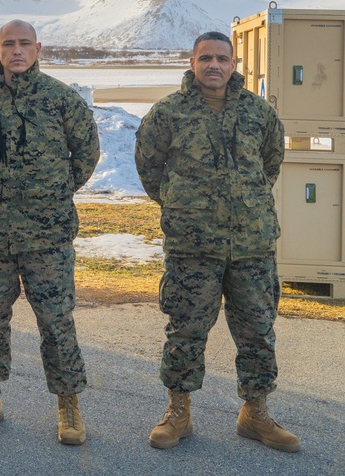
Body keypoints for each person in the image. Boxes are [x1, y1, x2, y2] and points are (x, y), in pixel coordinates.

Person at [135, 31, 299, 452]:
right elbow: (149, 167)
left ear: (233, 64)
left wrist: (242, 204)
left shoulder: (258, 113)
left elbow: (270, 164)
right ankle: (178, 412)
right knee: (186, 331)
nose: (214, 65)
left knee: (258, 332)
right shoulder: (168, 113)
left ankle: (255, 414)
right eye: (205, 58)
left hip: (252, 246)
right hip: (194, 247)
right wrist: (180, 204)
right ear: (191, 63)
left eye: (221, 58)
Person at [0, 19, 99, 445]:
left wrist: (54, 193)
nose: (17, 51)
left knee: (56, 322)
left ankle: (68, 405)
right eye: (8, 44)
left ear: (38, 48)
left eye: (25, 44)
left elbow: (87, 152)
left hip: (47, 237)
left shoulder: (61, 100)